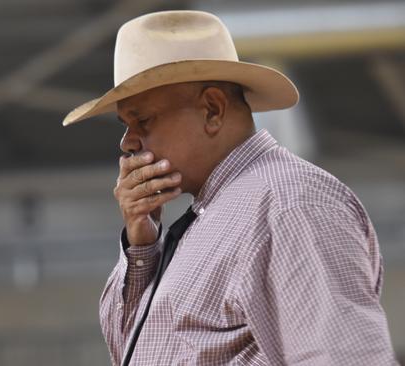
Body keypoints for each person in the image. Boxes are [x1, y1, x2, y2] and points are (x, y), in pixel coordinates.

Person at [62, 10, 399, 366]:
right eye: (126, 125)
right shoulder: (212, 216)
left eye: (142, 120)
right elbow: (129, 349)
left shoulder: (290, 203)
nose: (128, 143)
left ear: (212, 110)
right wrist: (142, 247)